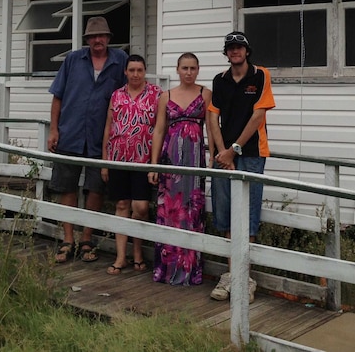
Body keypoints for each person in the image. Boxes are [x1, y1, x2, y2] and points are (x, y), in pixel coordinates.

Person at [47, 16, 128, 264]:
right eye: (93, 36)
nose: (97, 40)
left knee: (96, 188)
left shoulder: (120, 61)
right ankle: (68, 239)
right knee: (66, 187)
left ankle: (87, 239)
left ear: (109, 38)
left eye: (101, 36)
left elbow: (129, 96)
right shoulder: (73, 60)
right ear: (87, 40)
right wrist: (53, 130)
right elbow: (58, 97)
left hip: (101, 138)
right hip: (70, 133)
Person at [206, 31, 275, 303]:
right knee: (225, 213)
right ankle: (231, 274)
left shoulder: (260, 75)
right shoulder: (219, 80)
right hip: (224, 156)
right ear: (226, 53)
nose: (235, 52)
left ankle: (245, 278)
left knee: (248, 213)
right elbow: (213, 117)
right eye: (230, 48)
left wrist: (233, 150)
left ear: (247, 51)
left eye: (239, 48)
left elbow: (259, 115)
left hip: (252, 153)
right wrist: (222, 153)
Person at [147, 52, 212, 286]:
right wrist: (154, 165)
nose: (188, 72)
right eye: (184, 68)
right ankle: (167, 268)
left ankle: (190, 269)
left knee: (192, 211)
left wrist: (213, 155)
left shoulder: (205, 94)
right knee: (170, 211)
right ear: (177, 69)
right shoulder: (166, 96)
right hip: (170, 160)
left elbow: (212, 128)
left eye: (193, 68)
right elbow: (159, 130)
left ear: (198, 70)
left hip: (195, 160)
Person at [101, 55, 162, 275]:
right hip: (118, 158)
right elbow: (109, 127)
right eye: (132, 70)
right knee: (121, 205)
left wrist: (156, 163)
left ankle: (138, 251)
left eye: (139, 70)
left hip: (143, 160)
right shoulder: (117, 95)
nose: (135, 74)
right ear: (125, 72)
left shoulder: (156, 94)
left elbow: (161, 128)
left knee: (141, 207)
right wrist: (105, 162)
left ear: (145, 71)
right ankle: (121, 257)